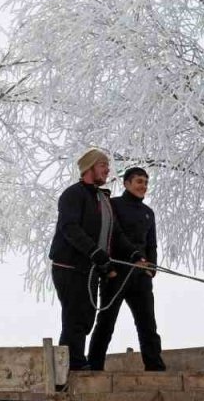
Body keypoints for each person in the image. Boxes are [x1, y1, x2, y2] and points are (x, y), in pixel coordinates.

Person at [49, 149, 147, 371]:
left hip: (91, 268)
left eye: (107, 165)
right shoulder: (73, 195)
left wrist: (134, 254)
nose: (107, 169)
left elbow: (116, 233)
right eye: (103, 164)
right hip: (69, 266)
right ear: (89, 168)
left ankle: (75, 362)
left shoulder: (102, 198)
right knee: (75, 316)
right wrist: (95, 252)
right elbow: (70, 228)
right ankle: (72, 366)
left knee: (86, 317)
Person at [87, 167, 167, 371]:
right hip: (116, 272)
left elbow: (152, 245)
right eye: (139, 181)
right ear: (127, 183)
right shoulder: (113, 205)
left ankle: (155, 367)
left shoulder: (149, 213)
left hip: (141, 276)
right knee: (106, 322)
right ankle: (94, 366)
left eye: (146, 182)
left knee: (148, 324)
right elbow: (114, 235)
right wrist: (126, 261)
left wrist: (152, 268)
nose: (144, 186)